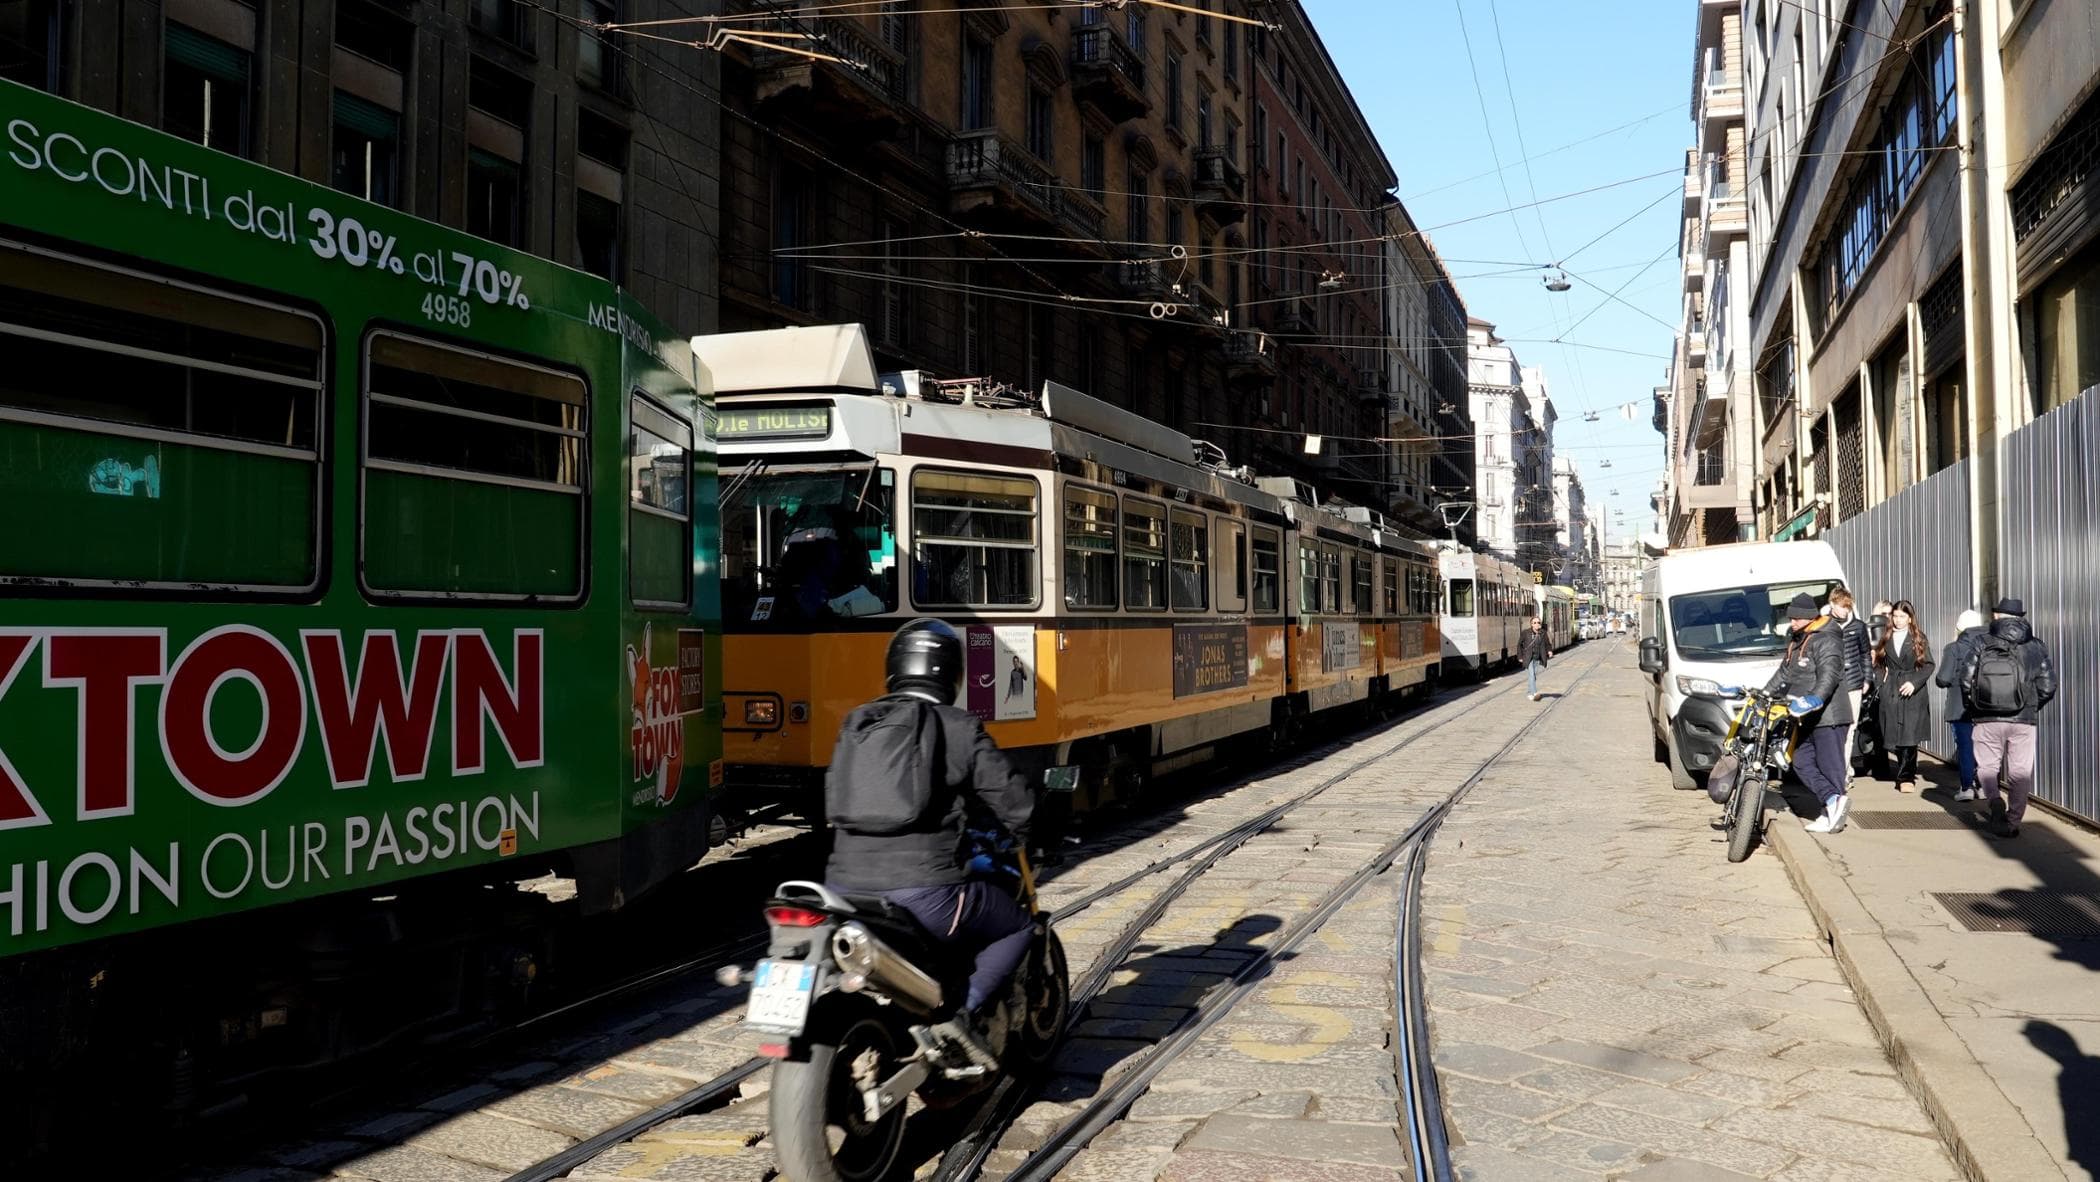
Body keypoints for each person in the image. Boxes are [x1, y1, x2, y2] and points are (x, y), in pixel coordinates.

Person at [823, 620, 1040, 1054]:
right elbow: (1014, 800)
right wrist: (1026, 832)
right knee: (1017, 927)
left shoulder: (858, 723)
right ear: (953, 673)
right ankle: (965, 1016)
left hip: (842, 890)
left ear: (894, 667)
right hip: (925, 893)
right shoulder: (958, 726)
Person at [1961, 598, 2057, 838]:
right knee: (2020, 771)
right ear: (2021, 617)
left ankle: (1994, 800)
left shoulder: (1981, 642)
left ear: (1996, 616)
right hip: (2024, 719)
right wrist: (2031, 706)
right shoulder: (2036, 646)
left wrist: (1974, 707)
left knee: (1987, 766)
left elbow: (1965, 679)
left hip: (1986, 716)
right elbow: (2049, 685)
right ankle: (2012, 822)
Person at [1765, 592, 1854, 833]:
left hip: (1829, 716)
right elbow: (1784, 673)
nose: (1791, 622)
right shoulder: (1797, 639)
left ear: (1808, 617)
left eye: (1796, 618)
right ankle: (1831, 801)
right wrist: (1765, 693)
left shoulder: (1827, 638)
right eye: (1791, 617)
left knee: (1830, 766)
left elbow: (1830, 673)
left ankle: (1833, 815)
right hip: (1804, 716)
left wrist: (1815, 698)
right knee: (1800, 760)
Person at [1872, 600, 1935, 793]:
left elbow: (1928, 665)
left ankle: (1906, 777)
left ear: (1909, 618)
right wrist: (1880, 682)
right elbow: (1880, 663)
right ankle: (1901, 768)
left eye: (1902, 616)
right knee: (1893, 732)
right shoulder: (1886, 636)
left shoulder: (1918, 638)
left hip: (1912, 690)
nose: (1898, 620)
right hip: (1891, 688)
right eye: (1895, 616)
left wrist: (1915, 682)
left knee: (1909, 733)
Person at [1935, 609, 1989, 801]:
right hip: (1985, 705)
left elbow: (1943, 678)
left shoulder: (1954, 648)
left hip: (1959, 705)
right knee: (1984, 747)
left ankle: (1966, 787)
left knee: (1965, 746)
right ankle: (1984, 787)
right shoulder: (1990, 646)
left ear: (1959, 627)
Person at [1827, 588, 1871, 778]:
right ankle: (1839, 768)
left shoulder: (1858, 627)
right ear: (1832, 605)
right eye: (1842, 607)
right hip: (1832, 684)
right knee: (1834, 728)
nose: (1845, 611)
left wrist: (1867, 679)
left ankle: (1843, 771)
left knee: (1850, 727)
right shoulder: (1825, 625)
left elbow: (1866, 653)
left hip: (1853, 682)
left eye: (1848, 607)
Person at [1518, 614, 1550, 701]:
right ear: (1531, 624)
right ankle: (1534, 692)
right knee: (1531, 674)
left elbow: (1547, 643)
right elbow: (1519, 645)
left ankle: (1530, 692)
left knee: (1533, 676)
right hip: (1528, 658)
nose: (1537, 624)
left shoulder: (1543, 633)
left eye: (1538, 622)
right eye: (1534, 622)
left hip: (1537, 657)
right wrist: (1520, 656)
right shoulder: (1525, 633)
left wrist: (1549, 651)